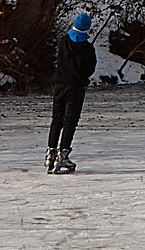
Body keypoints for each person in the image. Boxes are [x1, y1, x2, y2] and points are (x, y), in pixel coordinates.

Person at [47, 12, 97, 174]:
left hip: (59, 85)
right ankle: (63, 154)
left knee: (57, 119)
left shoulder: (63, 41)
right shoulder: (88, 48)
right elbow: (90, 69)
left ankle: (50, 152)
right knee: (70, 121)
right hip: (75, 87)